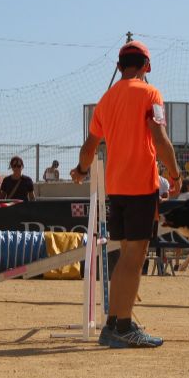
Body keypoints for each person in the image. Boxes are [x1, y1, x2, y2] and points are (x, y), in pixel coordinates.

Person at [71, 40, 181, 349]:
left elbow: (90, 146)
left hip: (115, 187)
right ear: (147, 66)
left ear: (119, 66)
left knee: (124, 258)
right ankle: (122, 325)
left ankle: (116, 323)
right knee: (134, 258)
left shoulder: (105, 100)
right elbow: (160, 139)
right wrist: (174, 175)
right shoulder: (151, 94)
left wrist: (80, 170)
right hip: (140, 186)